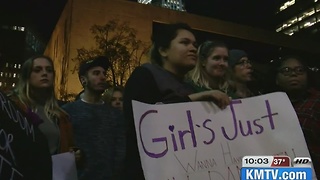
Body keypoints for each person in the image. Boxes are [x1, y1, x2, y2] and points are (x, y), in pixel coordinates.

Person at [123, 23, 231, 179]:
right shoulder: (145, 75)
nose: (193, 48)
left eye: (194, 44)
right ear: (163, 50)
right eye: (184, 42)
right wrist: (196, 98)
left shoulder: (189, 87)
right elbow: (142, 121)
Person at [62, 56, 126, 180]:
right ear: (83, 80)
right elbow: (61, 147)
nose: (102, 77)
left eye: (103, 73)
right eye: (96, 73)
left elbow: (120, 152)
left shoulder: (115, 115)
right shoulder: (67, 111)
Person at [8, 55, 75, 155]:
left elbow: (66, 146)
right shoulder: (13, 106)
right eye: (37, 70)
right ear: (27, 76)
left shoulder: (61, 115)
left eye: (49, 70)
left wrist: (74, 152)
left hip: (53, 169)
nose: (44, 73)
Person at [274, 55, 320, 178]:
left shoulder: (317, 101)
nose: (294, 74)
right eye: (286, 71)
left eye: (299, 70)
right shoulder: (266, 107)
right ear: (276, 79)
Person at [0, 90, 52, 180]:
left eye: (51, 74)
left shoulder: (60, 113)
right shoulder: (13, 105)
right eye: (37, 74)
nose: (44, 74)